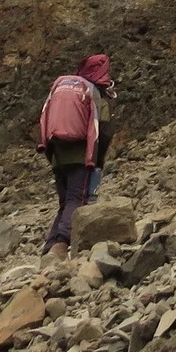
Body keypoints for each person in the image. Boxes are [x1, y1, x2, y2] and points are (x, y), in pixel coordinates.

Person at [36, 54, 110, 261]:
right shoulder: (93, 93)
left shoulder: (62, 86)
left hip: (57, 155)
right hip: (80, 156)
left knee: (65, 201)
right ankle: (61, 244)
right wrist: (97, 160)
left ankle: (49, 248)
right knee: (77, 200)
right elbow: (102, 131)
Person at [81, 55, 116, 204]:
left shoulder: (77, 87)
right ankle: (91, 195)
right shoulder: (100, 95)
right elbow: (104, 130)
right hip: (93, 149)